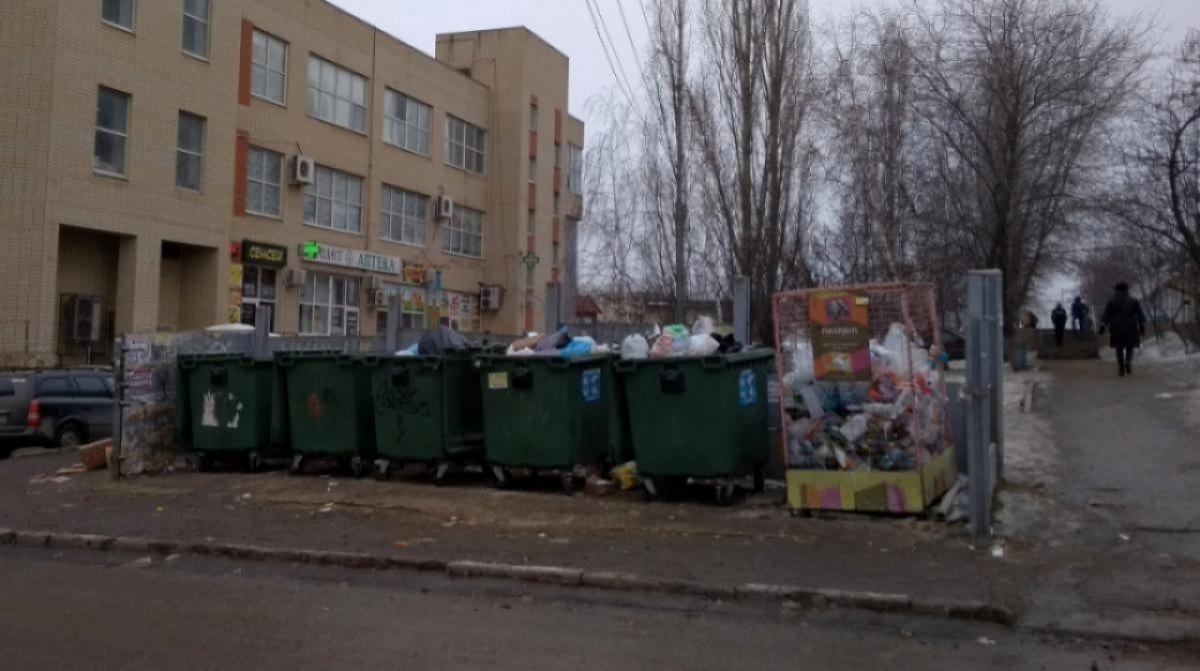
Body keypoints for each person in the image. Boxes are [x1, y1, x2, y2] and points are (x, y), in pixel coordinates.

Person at [1100, 282, 1147, 378]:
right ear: (1127, 289)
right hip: (1131, 325)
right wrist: (1141, 327)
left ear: (1116, 290)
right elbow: (1140, 315)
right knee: (1130, 347)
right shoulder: (1133, 301)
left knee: (1119, 348)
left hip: (1117, 326)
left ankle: (1121, 367)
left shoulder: (1112, 301)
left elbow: (1106, 315)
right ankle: (1128, 362)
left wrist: (1103, 326)